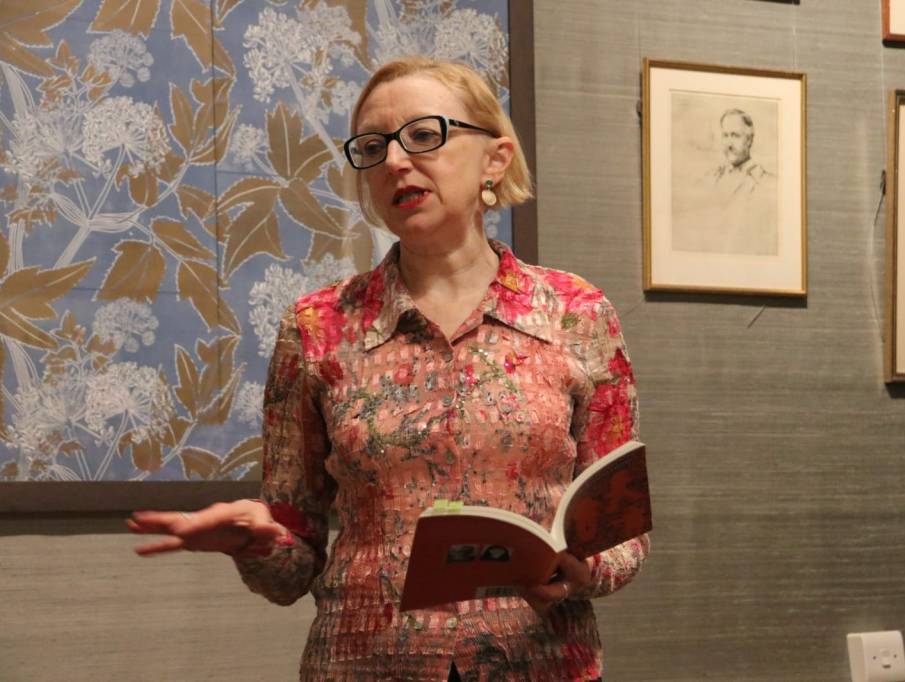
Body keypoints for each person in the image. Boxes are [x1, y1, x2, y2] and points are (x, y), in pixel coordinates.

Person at [129, 57, 648, 681]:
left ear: (495, 159)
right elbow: (295, 561)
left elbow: (621, 525)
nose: (396, 161)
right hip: (364, 667)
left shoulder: (577, 313)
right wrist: (253, 539)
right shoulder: (316, 327)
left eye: (425, 136)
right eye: (373, 147)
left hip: (541, 664)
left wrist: (584, 570)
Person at [674, 107, 778, 256]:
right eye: (725, 135)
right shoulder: (709, 179)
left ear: (749, 140)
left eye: (735, 136)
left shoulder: (769, 184)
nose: (729, 143)